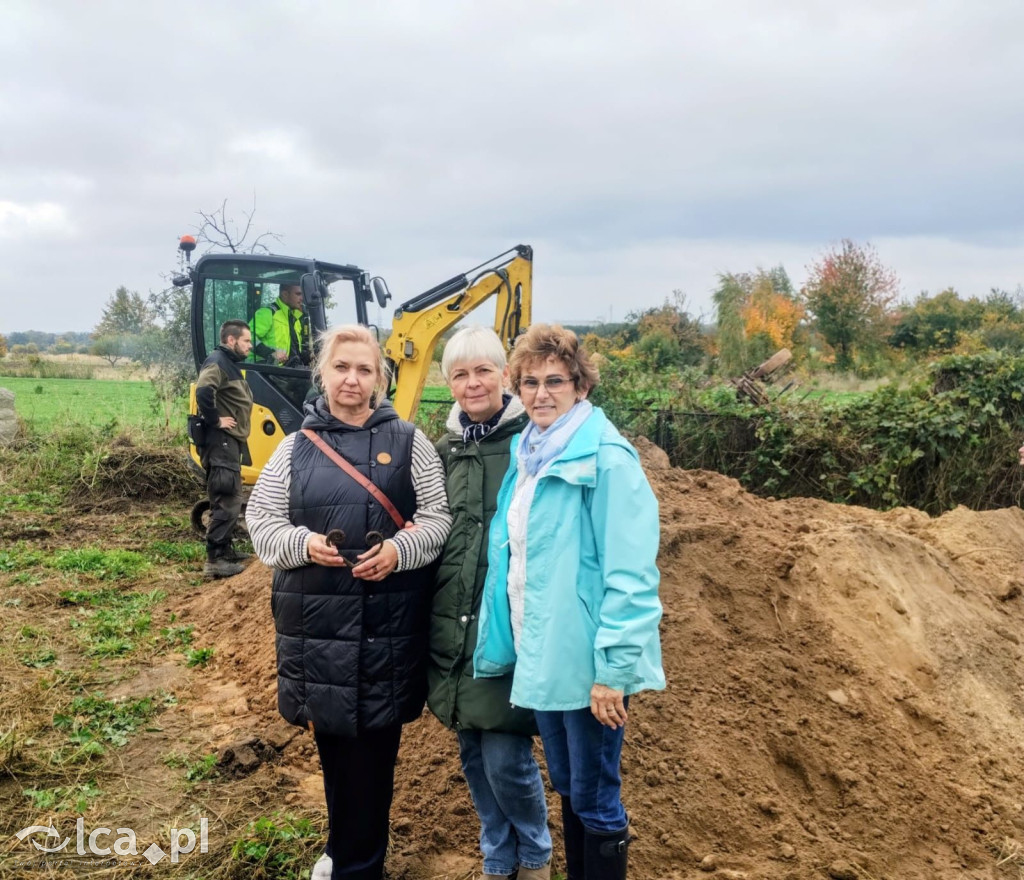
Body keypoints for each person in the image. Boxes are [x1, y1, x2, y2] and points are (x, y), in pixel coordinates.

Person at [247, 324, 452, 880]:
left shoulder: (412, 443)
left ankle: (359, 867)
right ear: (324, 374)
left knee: (370, 765)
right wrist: (303, 543)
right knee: (336, 755)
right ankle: (343, 851)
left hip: (383, 634)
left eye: (364, 370)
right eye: (342, 368)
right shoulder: (293, 449)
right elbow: (261, 525)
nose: (352, 380)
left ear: (380, 379)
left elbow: (437, 521)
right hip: (315, 633)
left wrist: (399, 549)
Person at [474, 324, 665, 880]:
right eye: (528, 382)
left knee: (597, 797)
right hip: (548, 656)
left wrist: (613, 672)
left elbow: (630, 576)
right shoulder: (529, 455)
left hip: (590, 667)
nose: (540, 393)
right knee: (569, 786)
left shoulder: (606, 461)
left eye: (555, 380)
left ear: (581, 387)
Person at [427, 326, 552, 880]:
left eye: (483, 370)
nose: (472, 383)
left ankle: (536, 855)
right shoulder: (442, 452)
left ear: (504, 375)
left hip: (505, 624)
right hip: (452, 622)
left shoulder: (533, 445)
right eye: (460, 373)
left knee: (505, 754)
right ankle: (497, 858)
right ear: (447, 383)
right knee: (473, 753)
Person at [195, 319, 253, 579]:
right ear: (232, 340)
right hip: (221, 441)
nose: (250, 346)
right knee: (226, 497)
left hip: (230, 441)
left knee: (231, 495)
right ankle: (215, 560)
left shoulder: (228, 363)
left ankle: (226, 550)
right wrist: (216, 420)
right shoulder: (217, 361)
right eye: (246, 341)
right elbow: (204, 390)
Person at [251, 282, 309, 365]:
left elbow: (293, 351)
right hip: (265, 369)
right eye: (298, 294)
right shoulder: (268, 313)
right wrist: (270, 353)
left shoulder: (295, 319)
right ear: (285, 294)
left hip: (287, 371)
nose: (302, 298)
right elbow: (247, 338)